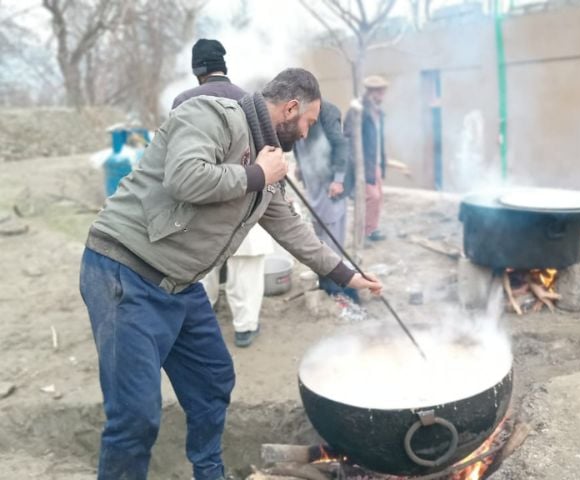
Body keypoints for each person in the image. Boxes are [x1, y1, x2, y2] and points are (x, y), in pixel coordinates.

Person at [79, 67, 382, 480]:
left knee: (212, 379)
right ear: (291, 108)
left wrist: (346, 275)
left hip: (179, 284)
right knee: (135, 417)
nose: (307, 133)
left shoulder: (267, 158)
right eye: (309, 122)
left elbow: (290, 227)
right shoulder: (211, 115)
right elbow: (185, 178)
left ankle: (209, 473)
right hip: (126, 272)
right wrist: (257, 174)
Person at [172, 38, 274, 348]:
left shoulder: (183, 101)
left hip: (202, 204)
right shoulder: (250, 101)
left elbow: (177, 160)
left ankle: (205, 317)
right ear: (223, 67)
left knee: (203, 269)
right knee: (247, 266)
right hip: (246, 198)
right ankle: (245, 327)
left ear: (197, 71)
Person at [293, 100, 359, 302]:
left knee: (332, 233)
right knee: (319, 228)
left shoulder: (327, 112)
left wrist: (338, 179)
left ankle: (334, 280)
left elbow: (340, 144)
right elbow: (297, 142)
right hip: (314, 179)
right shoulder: (293, 107)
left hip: (331, 183)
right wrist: (300, 165)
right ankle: (324, 273)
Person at [345, 75, 389, 241]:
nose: (382, 96)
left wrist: (382, 162)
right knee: (372, 197)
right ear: (371, 92)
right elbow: (348, 137)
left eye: (383, 92)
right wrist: (355, 164)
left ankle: (372, 228)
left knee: (378, 197)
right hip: (363, 163)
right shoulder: (358, 111)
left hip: (374, 162)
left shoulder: (378, 112)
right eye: (380, 92)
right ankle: (363, 230)